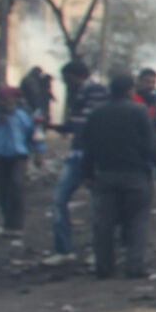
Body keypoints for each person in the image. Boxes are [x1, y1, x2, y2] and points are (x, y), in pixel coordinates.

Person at [81, 73, 156, 279]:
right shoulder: (139, 111)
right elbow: (150, 144)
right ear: (130, 90)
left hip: (106, 175)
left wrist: (87, 173)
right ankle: (135, 266)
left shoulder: (97, 113)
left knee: (104, 224)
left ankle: (104, 268)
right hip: (135, 175)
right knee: (137, 221)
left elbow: (88, 146)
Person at [44, 60, 110, 265]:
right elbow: (78, 124)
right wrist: (59, 127)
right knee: (59, 200)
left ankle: (100, 251)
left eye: (66, 78)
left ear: (75, 75)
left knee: (100, 205)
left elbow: (93, 124)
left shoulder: (98, 92)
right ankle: (64, 250)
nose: (65, 82)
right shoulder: (77, 94)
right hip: (76, 155)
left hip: (95, 157)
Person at [0, 86, 43, 237]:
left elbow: (36, 134)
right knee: (3, 189)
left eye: (6, 98)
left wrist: (39, 152)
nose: (4, 102)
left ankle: (17, 224)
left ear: (14, 99)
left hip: (19, 155)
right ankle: (8, 223)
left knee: (16, 186)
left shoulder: (23, 114)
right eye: (1, 99)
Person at [135, 68, 156, 137]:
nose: (150, 85)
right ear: (140, 81)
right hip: (137, 123)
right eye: (147, 82)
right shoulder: (133, 93)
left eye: (153, 82)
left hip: (155, 121)